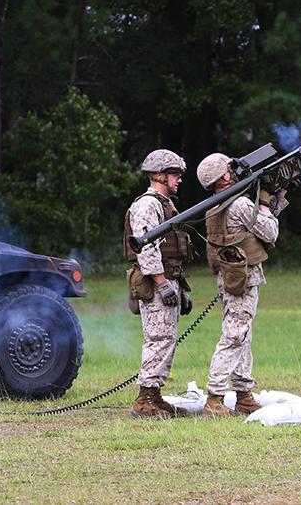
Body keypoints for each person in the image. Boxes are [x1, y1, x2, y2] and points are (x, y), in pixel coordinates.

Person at [196, 151, 287, 417]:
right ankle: (215, 397)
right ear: (225, 176)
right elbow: (270, 232)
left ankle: (244, 395)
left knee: (241, 335)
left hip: (230, 278)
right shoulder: (239, 205)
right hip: (243, 279)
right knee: (235, 336)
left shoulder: (216, 206)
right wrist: (266, 207)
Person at [124, 148, 194, 418]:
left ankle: (154, 396)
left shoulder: (164, 203)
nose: (179, 179)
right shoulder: (147, 205)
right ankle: (145, 400)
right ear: (157, 175)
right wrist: (162, 283)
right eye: (174, 174)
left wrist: (179, 287)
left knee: (166, 338)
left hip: (168, 278)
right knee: (157, 338)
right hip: (155, 282)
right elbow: (146, 247)